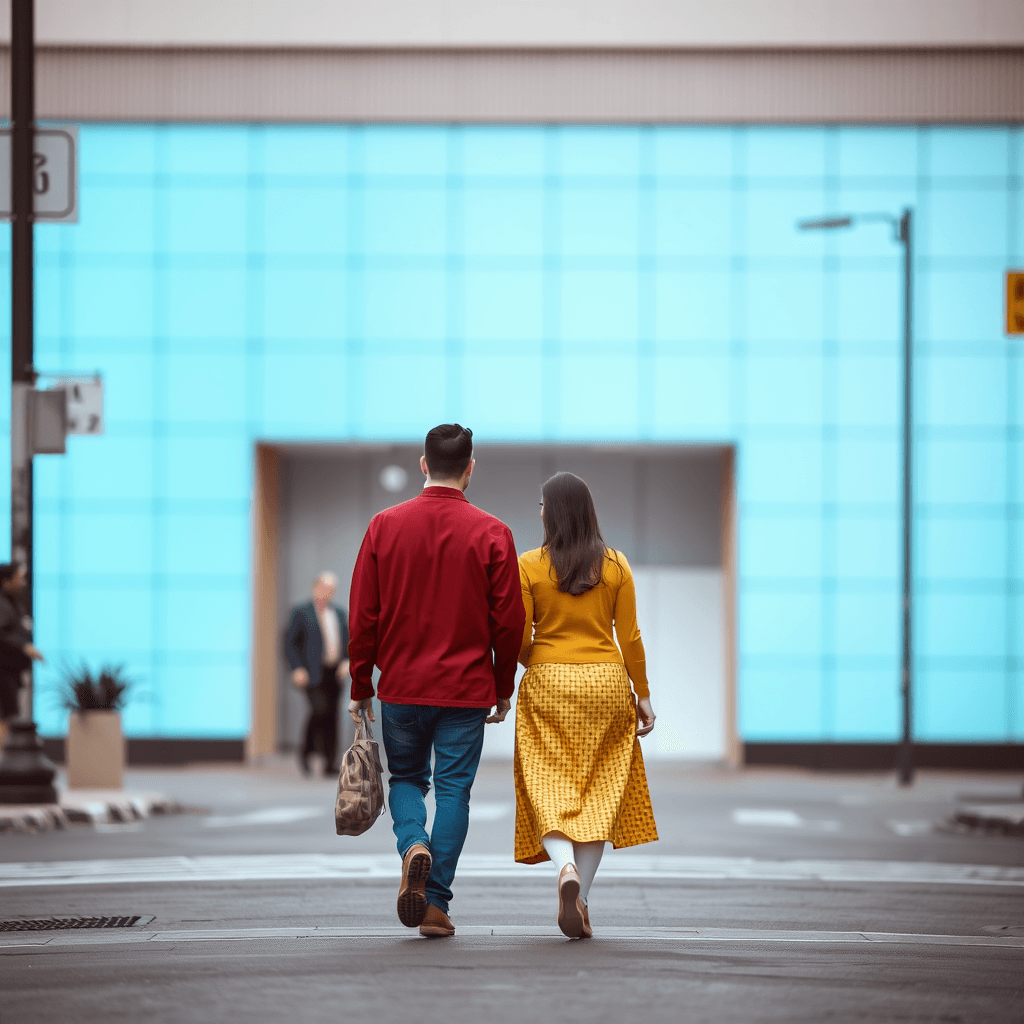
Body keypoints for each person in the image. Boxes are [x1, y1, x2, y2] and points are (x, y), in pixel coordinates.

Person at [348, 424, 525, 938]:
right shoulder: (493, 533)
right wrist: (502, 685)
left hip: (400, 687)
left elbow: (364, 616)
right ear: (470, 469)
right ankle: (435, 902)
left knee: (405, 780)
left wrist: (361, 683)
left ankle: (412, 845)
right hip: (465, 692)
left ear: (423, 465)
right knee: (453, 794)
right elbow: (509, 621)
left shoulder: (384, 526)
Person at [515, 472, 658, 939]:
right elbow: (630, 636)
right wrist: (644, 695)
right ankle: (585, 898)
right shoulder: (615, 565)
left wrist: (537, 660)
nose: (538, 511)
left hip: (549, 683)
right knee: (600, 794)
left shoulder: (529, 565)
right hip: (607, 685)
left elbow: (518, 636)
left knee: (547, 786)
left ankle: (564, 870)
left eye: (541, 504)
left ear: (551, 512)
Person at [284, 571, 350, 777]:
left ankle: (330, 761)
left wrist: (347, 661)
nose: (328, 593)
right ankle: (307, 751)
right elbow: (289, 643)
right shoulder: (301, 612)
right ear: (315, 588)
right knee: (319, 710)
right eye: (325, 588)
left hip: (334, 672)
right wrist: (297, 668)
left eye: (332, 590)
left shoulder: (338, 613)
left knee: (332, 716)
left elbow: (348, 641)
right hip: (312, 672)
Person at [0, 563, 44, 749]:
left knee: (8, 714)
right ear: (5, 581)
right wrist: (25, 646)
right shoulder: (2, 603)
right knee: (6, 716)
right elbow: (3, 633)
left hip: (11, 669)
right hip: (3, 669)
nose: (23, 582)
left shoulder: (11, 601)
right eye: (19, 577)